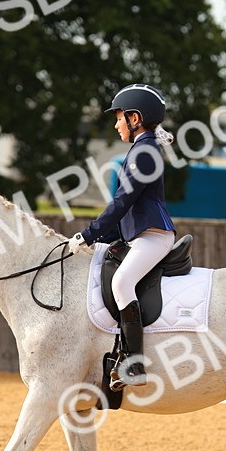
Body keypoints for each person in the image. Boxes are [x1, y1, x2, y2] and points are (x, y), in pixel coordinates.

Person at [67, 83, 176, 386]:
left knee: (122, 282)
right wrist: (97, 240)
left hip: (153, 236)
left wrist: (88, 235)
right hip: (139, 233)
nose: (116, 125)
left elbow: (122, 202)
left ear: (135, 118)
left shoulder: (144, 151)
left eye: (119, 119)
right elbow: (125, 210)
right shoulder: (140, 149)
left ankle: (134, 365)